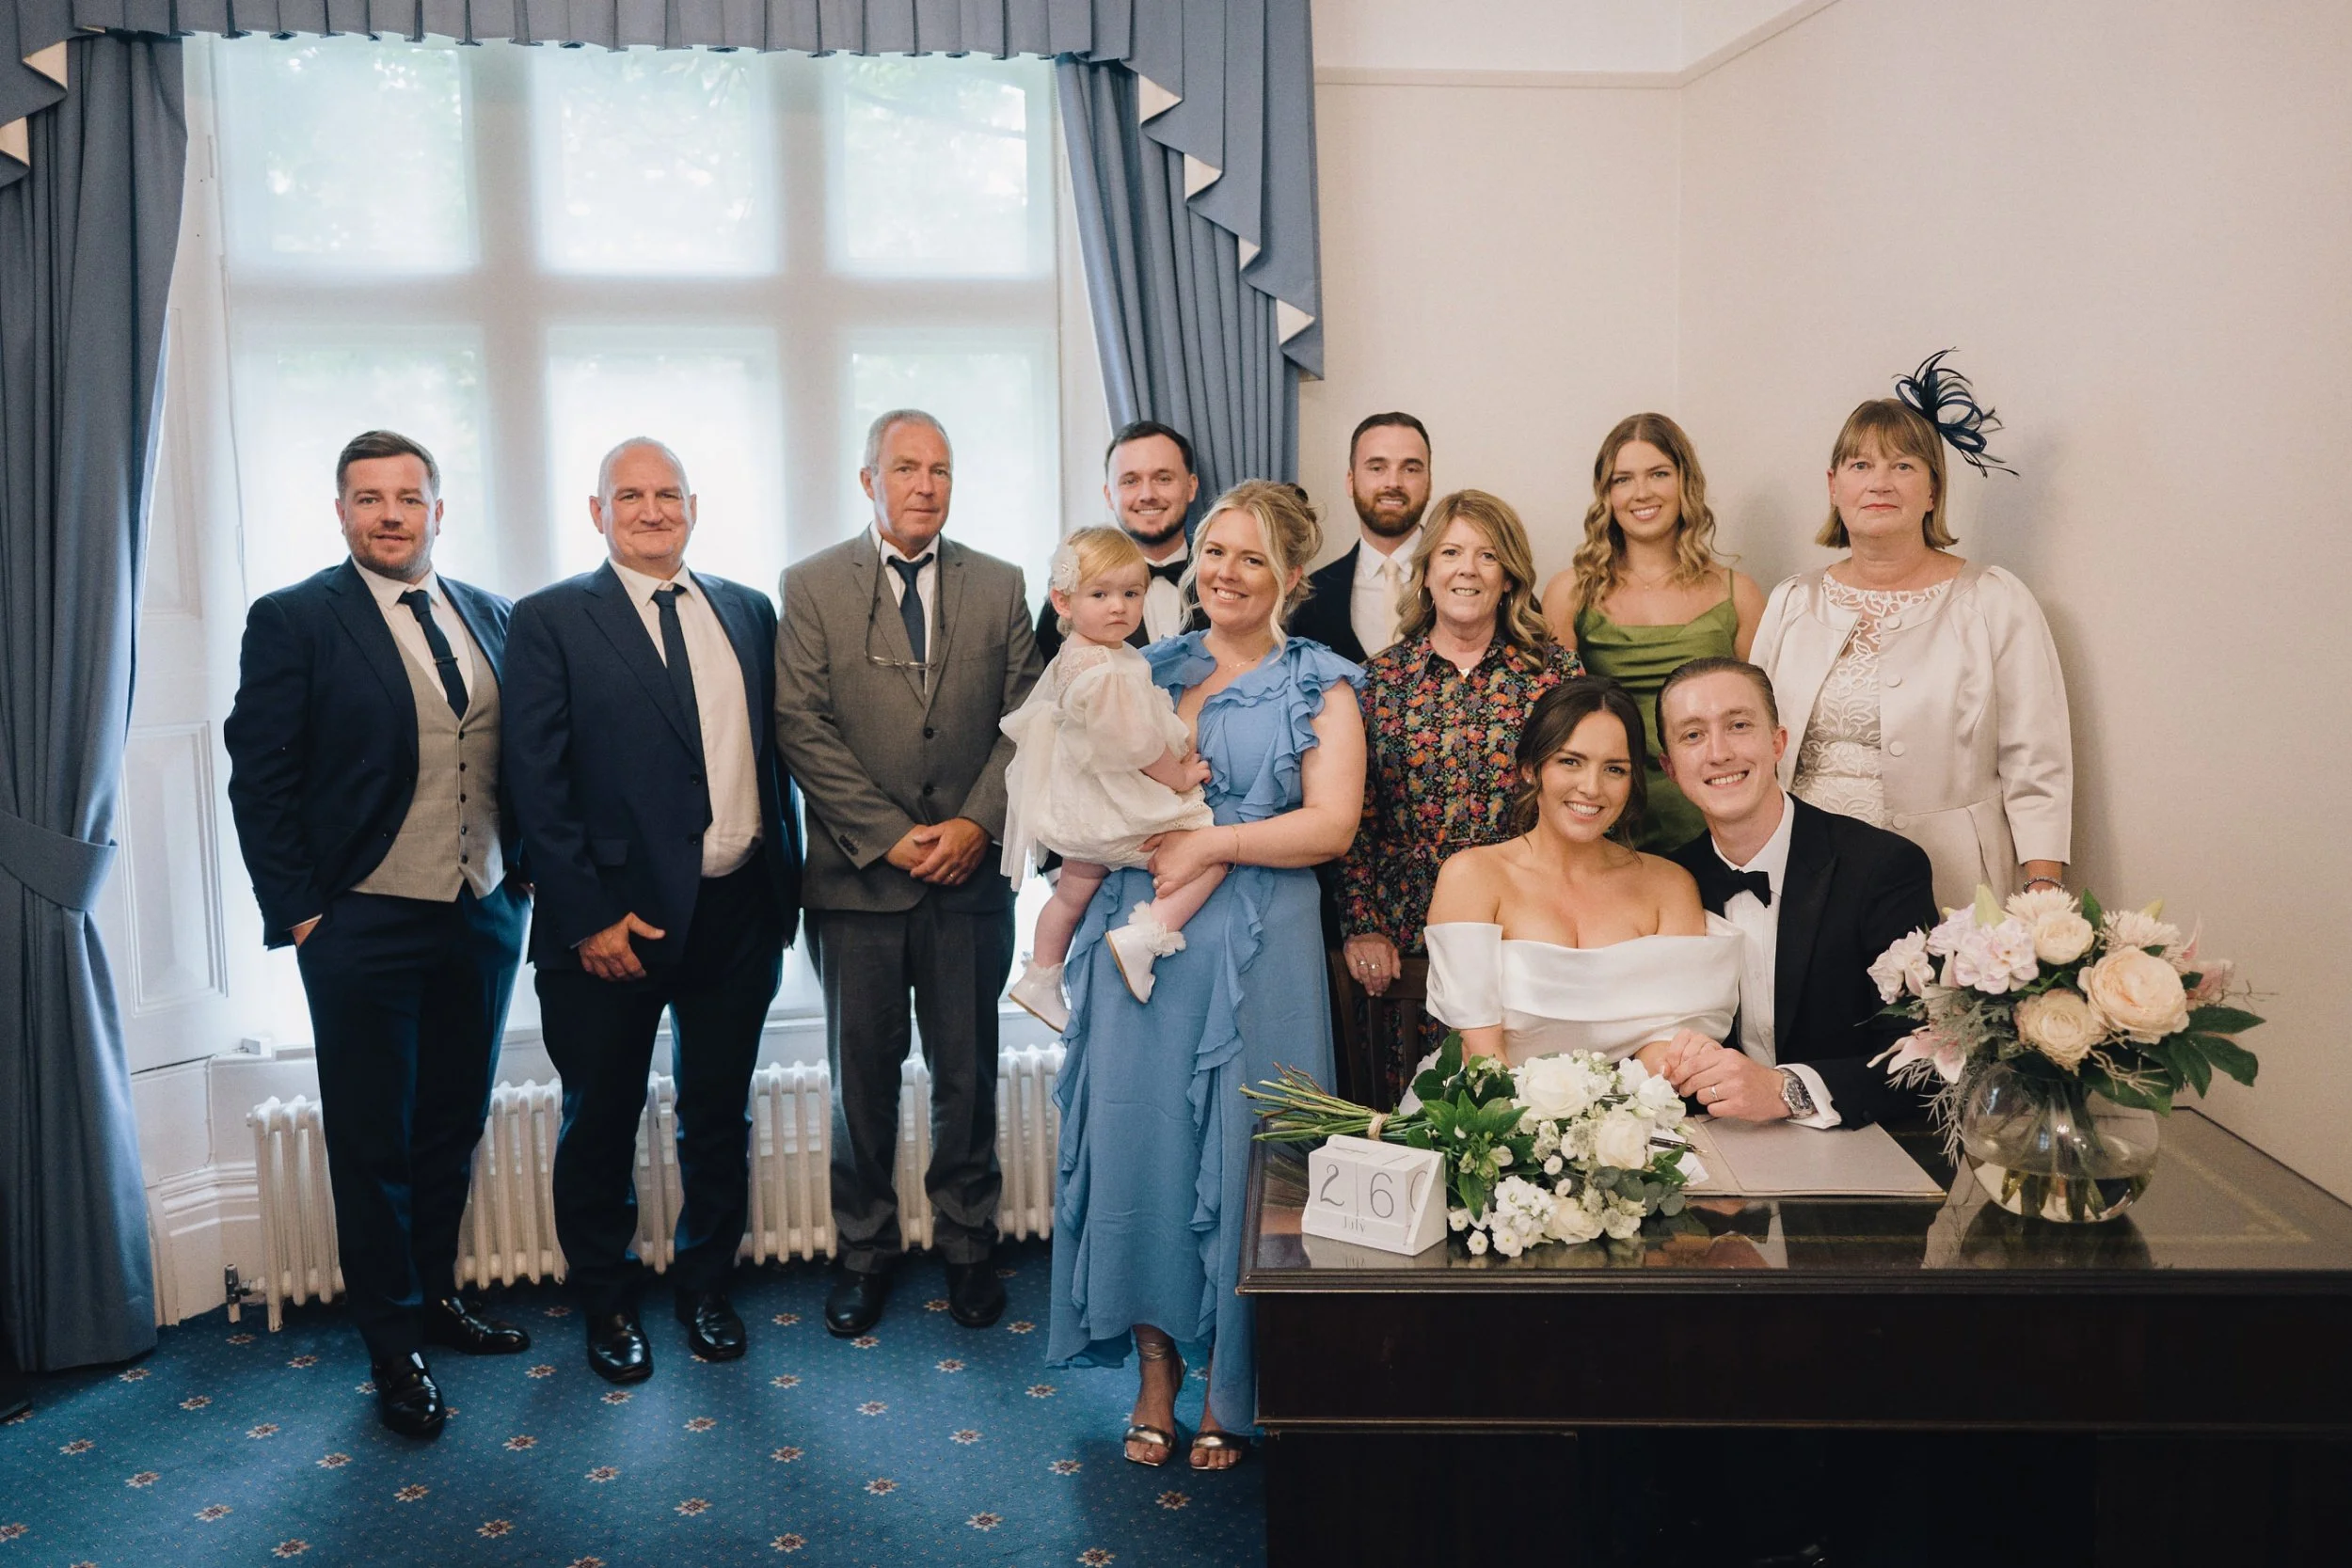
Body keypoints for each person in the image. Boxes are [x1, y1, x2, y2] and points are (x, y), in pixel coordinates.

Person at [1047, 481, 1364, 1473]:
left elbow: (1332, 825)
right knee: (1137, 1149)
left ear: (1292, 577)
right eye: (1215, 551)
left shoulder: (1322, 684)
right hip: (1134, 939)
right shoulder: (1143, 664)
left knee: (1245, 1159)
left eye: (1251, 557)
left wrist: (1215, 841)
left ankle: (1234, 1376)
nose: (1225, 572)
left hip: (1258, 947)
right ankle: (1155, 1372)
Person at [224, 430, 532, 1439]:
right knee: (372, 1140)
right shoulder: (295, 618)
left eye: (407, 496)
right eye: (368, 497)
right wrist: (306, 912)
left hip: (482, 910)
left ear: (439, 510)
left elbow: (524, 755)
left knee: (451, 1122)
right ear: (342, 512)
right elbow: (260, 779)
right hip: (360, 919)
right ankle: (392, 1347)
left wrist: (522, 878)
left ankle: (436, 1297)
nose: (389, 514)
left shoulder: (492, 613)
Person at [502, 437, 803, 1385]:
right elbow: (533, 781)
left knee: (718, 1116)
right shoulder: (550, 618)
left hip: (738, 909)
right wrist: (587, 916)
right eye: (628, 495)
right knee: (600, 1119)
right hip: (612, 924)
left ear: (694, 506)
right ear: (597, 513)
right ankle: (607, 1301)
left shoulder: (747, 610)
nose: (650, 509)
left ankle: (707, 1287)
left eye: (667, 493)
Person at [774, 409, 1040, 1339]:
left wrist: (975, 823)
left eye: (940, 469)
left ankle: (969, 1245)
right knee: (861, 1085)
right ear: (868, 480)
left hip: (971, 882)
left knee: (968, 1075)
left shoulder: (1001, 584)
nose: (925, 484)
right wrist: (889, 836)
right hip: (856, 884)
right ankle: (864, 1251)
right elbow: (800, 726)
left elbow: (1028, 721)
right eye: (905, 468)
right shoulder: (809, 585)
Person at [1752, 355, 2072, 911]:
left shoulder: (1993, 601)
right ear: (1833, 486)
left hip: (1952, 881)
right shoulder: (1791, 602)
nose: (1879, 483)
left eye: (1902, 466)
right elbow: (1752, 741)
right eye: (1860, 465)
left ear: (1932, 491)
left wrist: (2042, 891)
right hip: (1806, 876)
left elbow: (2036, 760)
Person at [1336, 489, 1583, 1105]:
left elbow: (1581, 803)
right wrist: (1363, 927)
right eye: (1450, 552)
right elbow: (1356, 816)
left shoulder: (1556, 677)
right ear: (1425, 573)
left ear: (1509, 578)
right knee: (1413, 1115)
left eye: (1487, 555)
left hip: (1524, 930)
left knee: (1522, 1111)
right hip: (1407, 938)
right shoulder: (1378, 681)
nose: (1466, 569)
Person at [1652, 657, 1939, 1127]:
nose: (1718, 753)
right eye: (1693, 735)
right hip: (1719, 1142)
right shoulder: (1669, 883)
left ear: (1778, 742)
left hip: (1859, 1143)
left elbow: (1922, 1057)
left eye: (1738, 725)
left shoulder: (1882, 868)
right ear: (1670, 767)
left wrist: (1787, 1091)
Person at [1422, 678, 1741, 1073]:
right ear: (1530, 768)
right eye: (1570, 762)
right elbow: (1481, 1053)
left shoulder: (1670, 886)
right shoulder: (1472, 877)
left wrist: (1627, 1105)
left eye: (1614, 769)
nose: (1591, 788)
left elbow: (1668, 1043)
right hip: (1486, 1100)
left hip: (1633, 1102)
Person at [1002, 528, 1220, 1030]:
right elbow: (1139, 747)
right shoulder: (1108, 672)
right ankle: (1147, 936)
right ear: (1063, 601)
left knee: (1071, 895)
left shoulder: (1081, 652)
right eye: (1100, 595)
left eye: (1131, 593)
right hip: (1115, 807)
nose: (1118, 607)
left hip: (1084, 806)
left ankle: (1040, 977)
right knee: (1210, 849)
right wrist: (1181, 775)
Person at [1539, 413, 1763, 852]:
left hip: (1711, 813)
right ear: (1606, 494)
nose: (1641, 493)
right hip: (1605, 811)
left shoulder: (1739, 593)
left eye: (1658, 474)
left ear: (1685, 482)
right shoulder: (1569, 593)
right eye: (1623, 479)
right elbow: (1556, 727)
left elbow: (1758, 725)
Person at [1033, 420, 1202, 663]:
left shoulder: (1223, 581)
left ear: (1191, 487)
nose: (1147, 495)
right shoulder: (1071, 590)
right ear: (1109, 495)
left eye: (1163, 478)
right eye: (1130, 481)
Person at [1288, 412, 1432, 664]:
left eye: (1410, 469)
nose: (1393, 482)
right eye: (1377, 468)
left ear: (1429, 482)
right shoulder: (1308, 598)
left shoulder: (1468, 583)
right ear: (1350, 480)